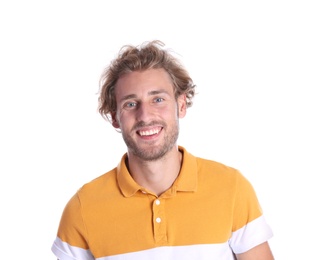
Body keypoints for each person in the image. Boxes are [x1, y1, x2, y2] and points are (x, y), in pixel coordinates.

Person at [51, 40, 274, 260]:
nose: (145, 116)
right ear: (115, 118)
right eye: (130, 103)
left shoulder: (231, 188)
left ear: (181, 105)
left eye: (158, 99)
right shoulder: (82, 209)